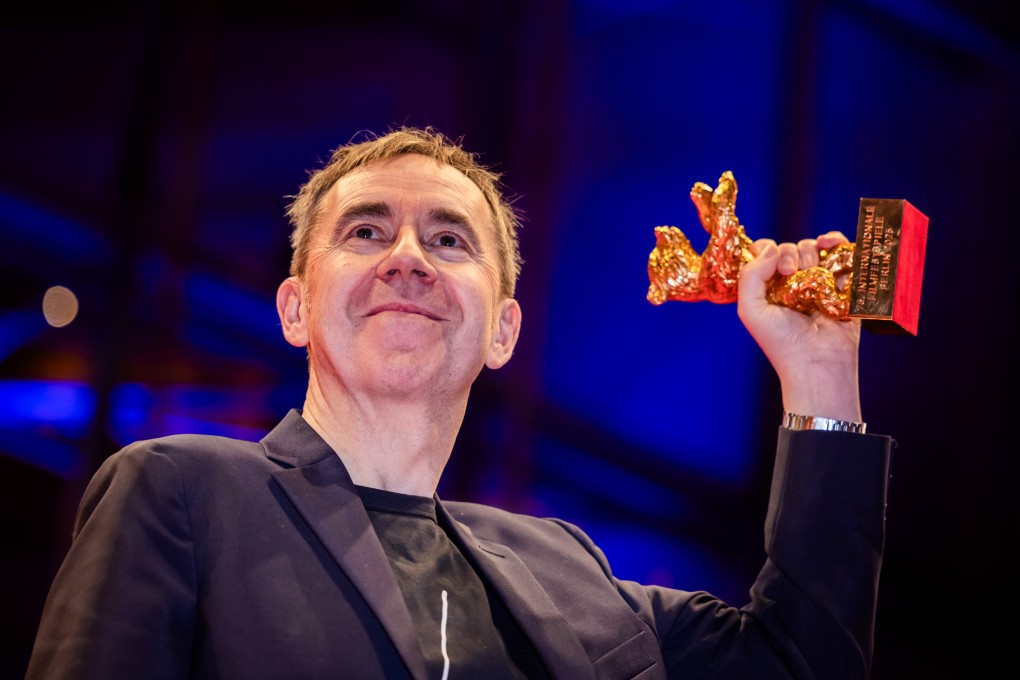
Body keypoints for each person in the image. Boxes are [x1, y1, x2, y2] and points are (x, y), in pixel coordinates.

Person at [24, 126, 892, 679]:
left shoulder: (566, 572)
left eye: (449, 240)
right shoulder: (183, 490)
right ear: (294, 309)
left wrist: (818, 377)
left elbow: (802, 662)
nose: (409, 259)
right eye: (366, 231)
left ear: (503, 331)